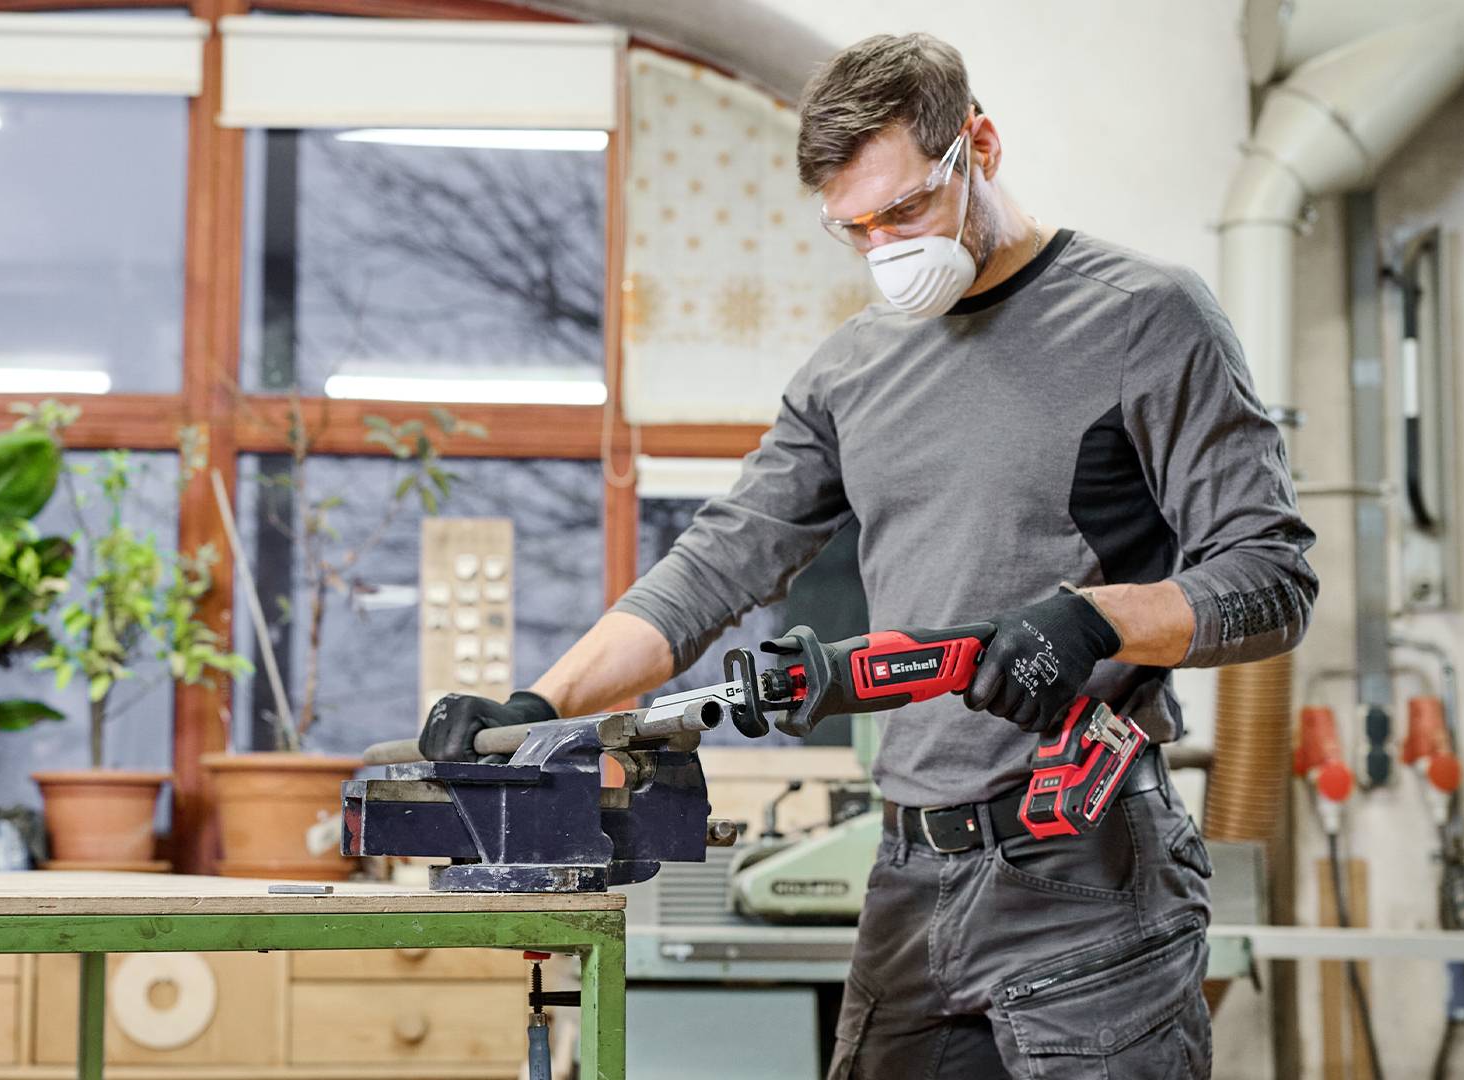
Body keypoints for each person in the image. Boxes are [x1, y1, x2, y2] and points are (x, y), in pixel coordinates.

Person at [421, 32, 1316, 1079]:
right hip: (911, 876)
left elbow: (1272, 578)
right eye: (856, 229)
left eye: (906, 210)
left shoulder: (1145, 318)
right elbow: (721, 561)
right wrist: (540, 708)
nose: (887, 245)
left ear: (978, 144)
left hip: (1087, 868)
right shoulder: (851, 368)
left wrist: (1097, 620)